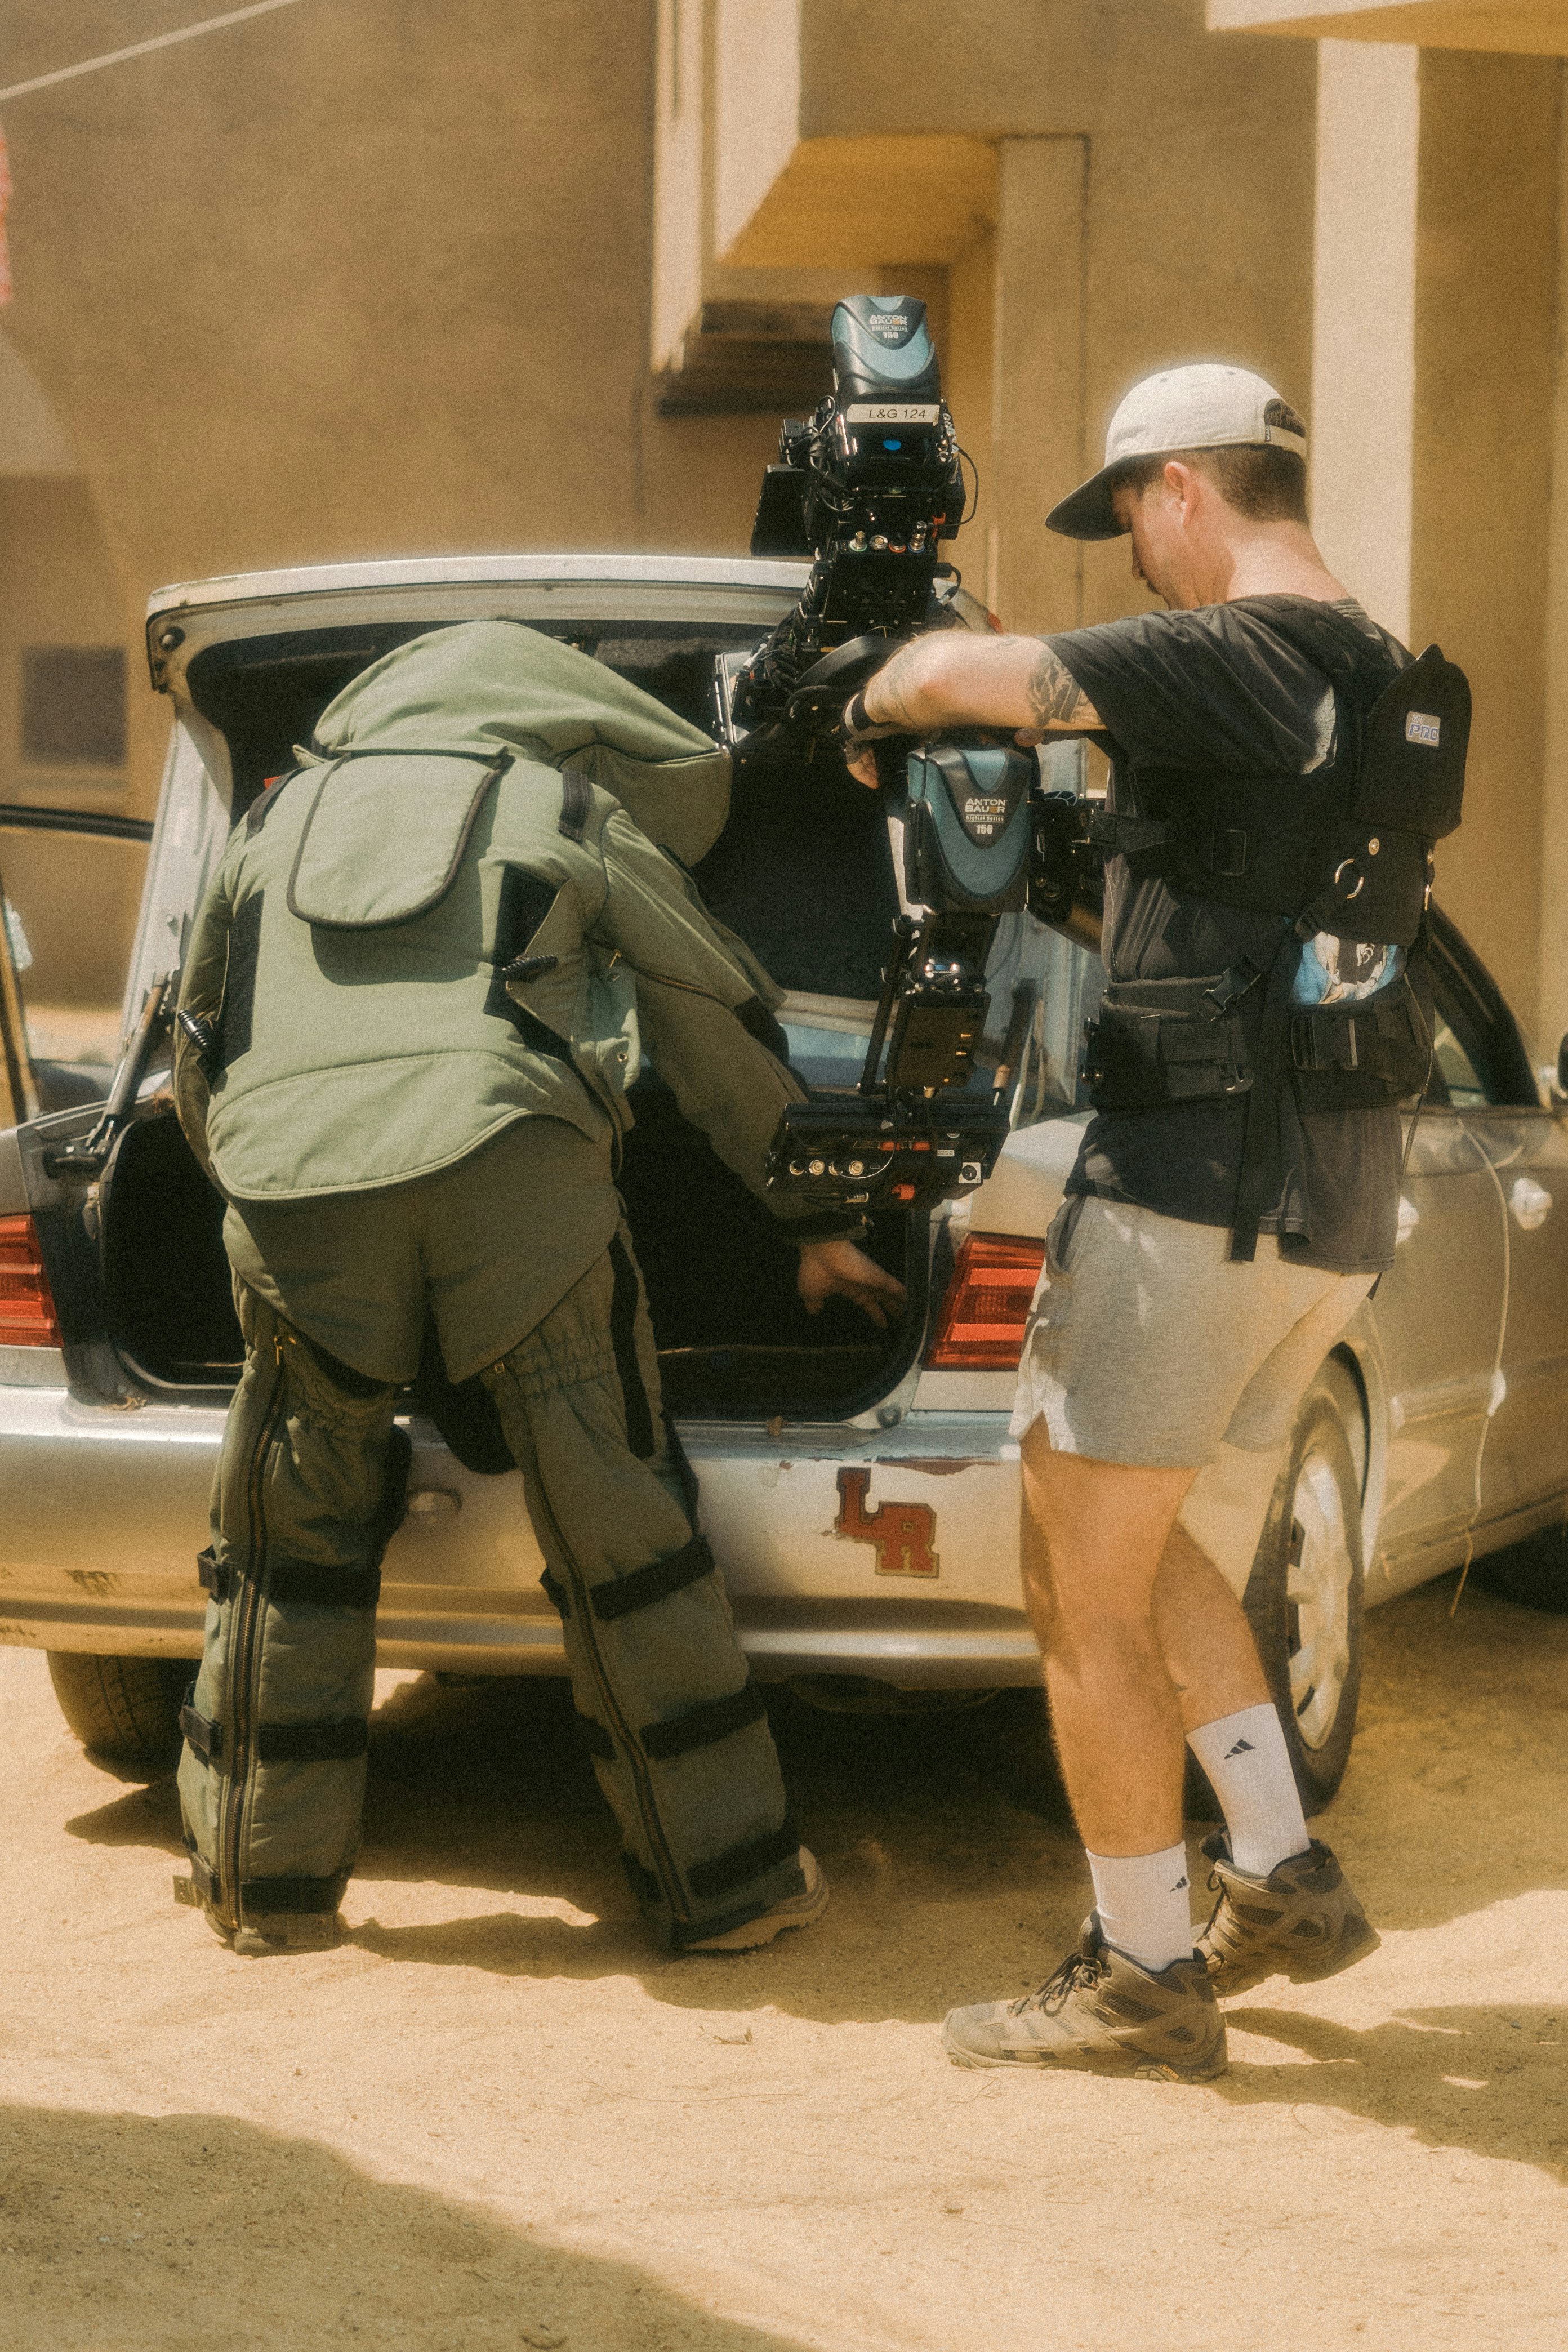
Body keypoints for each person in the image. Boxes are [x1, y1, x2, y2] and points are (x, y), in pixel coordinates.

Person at [843, 364, 1436, 2080]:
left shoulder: (1246, 650)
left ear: (1185, 490)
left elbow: (960, 679)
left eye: (1132, 526)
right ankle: (1280, 1870)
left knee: (1073, 1580)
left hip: (1193, 1192)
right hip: (1321, 1204)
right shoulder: (1372, 666)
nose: (1134, 564)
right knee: (1162, 1546)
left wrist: (883, 683)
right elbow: (1211, 914)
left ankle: (1140, 1968)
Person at [171, 618, 903, 1959]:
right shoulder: (558, 803)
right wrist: (815, 1215)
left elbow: (198, 1044)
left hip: (291, 1198)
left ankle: (259, 1888)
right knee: (622, 1535)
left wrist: (257, 1183)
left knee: (287, 1544)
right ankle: (725, 1886)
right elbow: (705, 1008)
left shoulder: (274, 820)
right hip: (511, 1183)